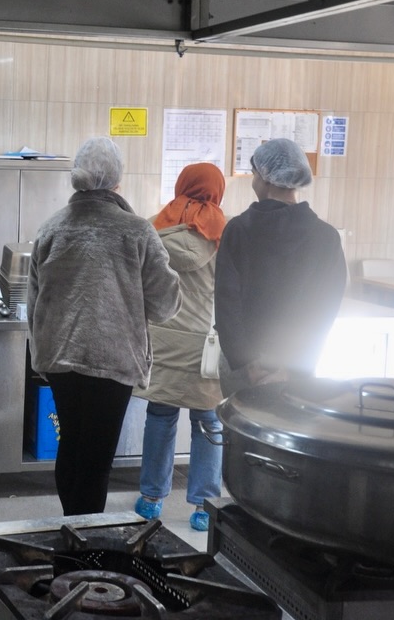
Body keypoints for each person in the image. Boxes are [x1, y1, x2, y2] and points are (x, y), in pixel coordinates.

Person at [27, 136, 181, 517]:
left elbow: (34, 301)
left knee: (72, 448)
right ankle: (85, 546)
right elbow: (164, 305)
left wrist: (41, 352)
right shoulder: (137, 231)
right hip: (112, 360)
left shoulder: (52, 227)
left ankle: (71, 529)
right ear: (117, 181)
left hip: (60, 356)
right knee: (96, 460)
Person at [133, 162, 227, 532]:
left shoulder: (155, 224)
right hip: (204, 344)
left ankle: (151, 498)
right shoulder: (225, 232)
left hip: (162, 337)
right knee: (208, 421)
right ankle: (204, 505)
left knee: (160, 415)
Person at [215, 138, 347, 397]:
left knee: (239, 435)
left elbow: (226, 304)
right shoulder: (326, 237)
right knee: (289, 435)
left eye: (253, 175)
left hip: (242, 366)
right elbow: (324, 310)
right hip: (298, 367)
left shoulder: (239, 230)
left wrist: (248, 365)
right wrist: (290, 368)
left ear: (265, 179)